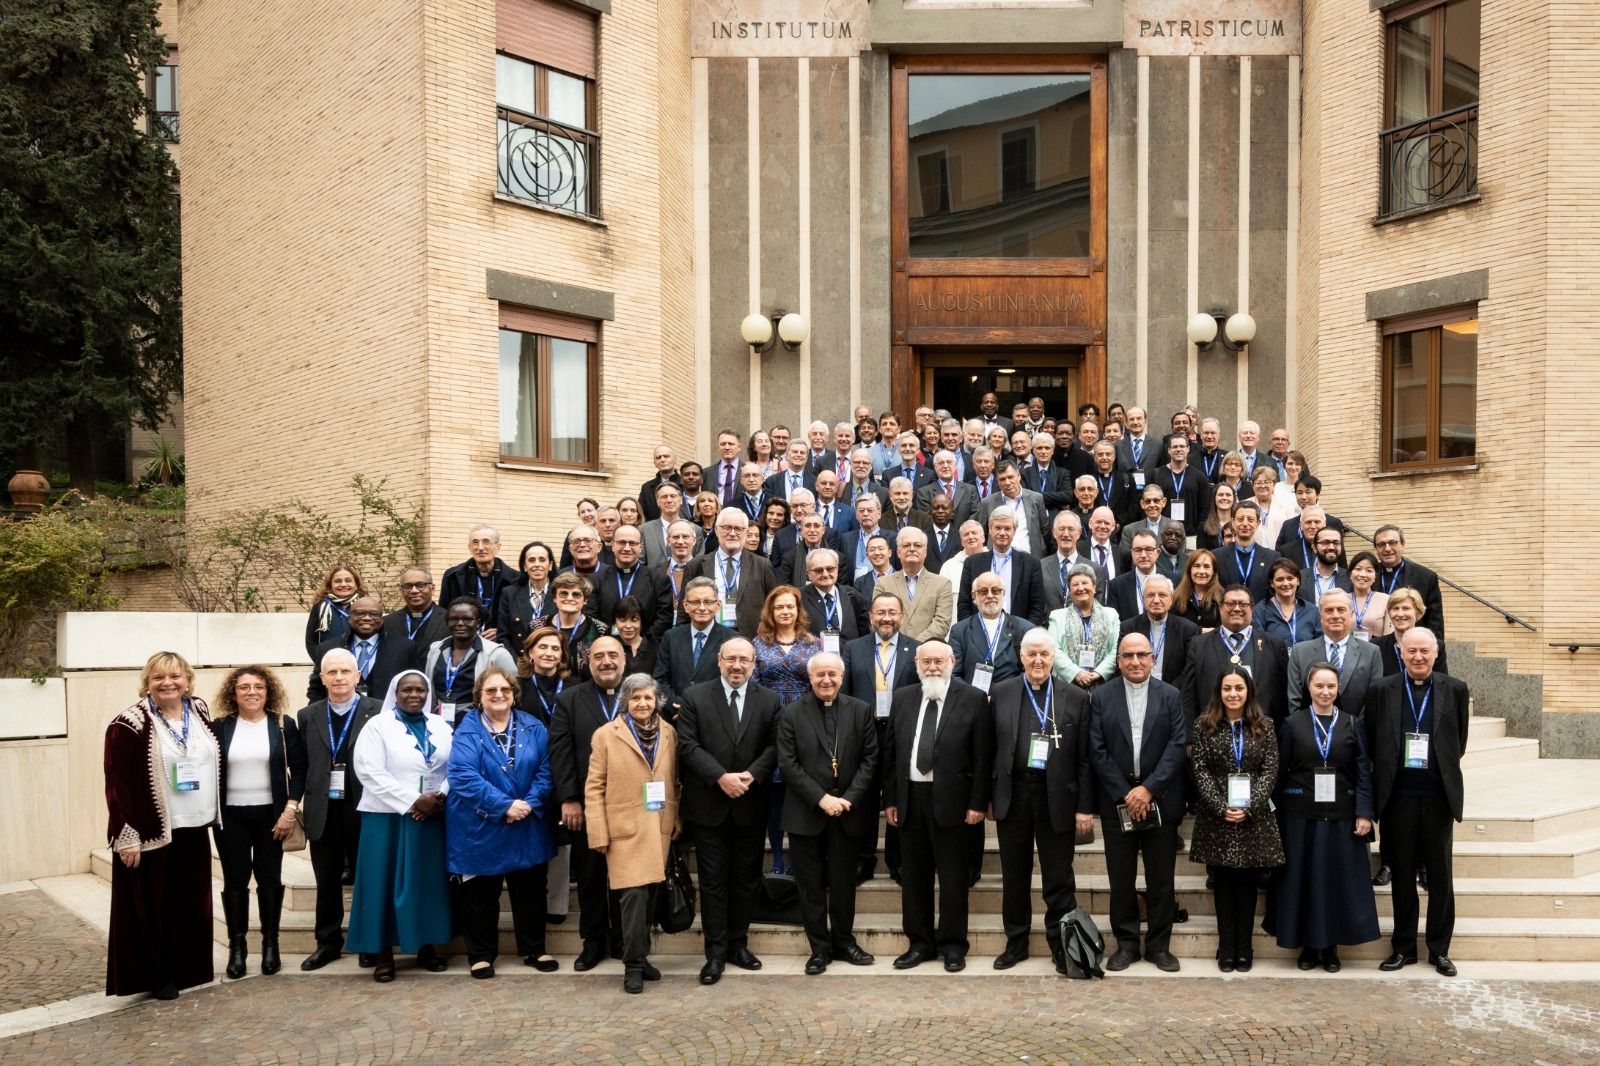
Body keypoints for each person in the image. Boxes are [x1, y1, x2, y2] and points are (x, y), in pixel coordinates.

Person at [105, 652, 220, 999]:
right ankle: (155, 977)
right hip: (153, 832)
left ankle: (188, 970)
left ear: (187, 679)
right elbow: (116, 782)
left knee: (189, 905)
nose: (168, 683)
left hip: (195, 825)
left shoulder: (198, 709)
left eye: (175, 676)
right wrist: (126, 835)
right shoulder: (129, 722)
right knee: (150, 909)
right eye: (158, 678)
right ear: (147, 682)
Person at [676, 638, 782, 984]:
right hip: (709, 807)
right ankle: (716, 953)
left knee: (746, 880)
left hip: (751, 805)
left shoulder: (768, 699)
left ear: (755, 665)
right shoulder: (695, 697)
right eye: (731, 659)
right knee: (713, 882)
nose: (737, 666)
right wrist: (720, 777)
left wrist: (750, 776)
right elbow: (688, 745)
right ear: (719, 661)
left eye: (745, 660)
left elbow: (775, 745)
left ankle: (739, 944)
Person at [884, 641, 995, 972]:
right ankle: (919, 942)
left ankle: (952, 945)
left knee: (953, 878)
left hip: (954, 802)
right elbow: (891, 753)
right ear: (917, 663)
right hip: (911, 799)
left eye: (938, 661)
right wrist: (890, 798)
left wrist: (978, 802)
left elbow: (983, 755)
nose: (932, 666)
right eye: (926, 661)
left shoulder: (973, 699)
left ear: (952, 661)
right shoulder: (903, 698)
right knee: (914, 877)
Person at [988, 631, 1094, 973]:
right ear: (1021, 656)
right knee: (1014, 875)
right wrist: (987, 797)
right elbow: (988, 751)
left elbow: (1084, 760)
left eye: (1044, 655)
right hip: (1014, 794)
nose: (1038, 661)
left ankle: (1062, 945)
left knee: (1058, 876)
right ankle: (1016, 943)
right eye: (1031, 654)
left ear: (1054, 657)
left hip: (1056, 798)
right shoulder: (1000, 692)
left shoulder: (1076, 697)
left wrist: (1084, 806)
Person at [1367, 628, 1469, 977]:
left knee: (1441, 878)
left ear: (1436, 653)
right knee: (1402, 877)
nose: (1418, 657)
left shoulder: (1455, 689)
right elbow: (1372, 740)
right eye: (1411, 651)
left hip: (1438, 798)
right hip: (1398, 799)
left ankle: (1439, 950)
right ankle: (1404, 948)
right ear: (1401, 653)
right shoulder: (1382, 690)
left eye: (1424, 651)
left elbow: (1460, 742)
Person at [1267, 661, 1381, 972]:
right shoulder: (1293, 723)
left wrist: (1364, 813)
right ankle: (1306, 946)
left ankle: (1330, 948)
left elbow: (1363, 773)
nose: (1325, 691)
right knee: (1303, 882)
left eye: (1331, 686)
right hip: (1300, 817)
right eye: (1319, 686)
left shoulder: (1351, 723)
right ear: (1309, 688)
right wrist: (1272, 816)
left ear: (1338, 688)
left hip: (1342, 818)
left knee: (1335, 884)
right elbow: (1279, 773)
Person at [447, 666, 558, 978]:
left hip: (527, 821)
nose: (498, 695)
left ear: (514, 695)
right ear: (479, 697)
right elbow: (461, 775)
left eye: (505, 690)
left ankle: (534, 948)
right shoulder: (467, 729)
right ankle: (481, 954)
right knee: (480, 895)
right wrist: (504, 805)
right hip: (481, 825)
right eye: (491, 691)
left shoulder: (533, 726)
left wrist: (529, 803)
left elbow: (547, 770)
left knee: (532, 891)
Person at [345, 670, 454, 982]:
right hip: (387, 817)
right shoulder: (377, 726)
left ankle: (426, 947)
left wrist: (439, 797)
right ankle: (383, 954)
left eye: (420, 690)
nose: (414, 695)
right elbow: (369, 771)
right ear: (395, 692)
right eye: (407, 690)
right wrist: (411, 800)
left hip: (431, 815)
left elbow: (455, 765)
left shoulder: (440, 725)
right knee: (382, 883)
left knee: (427, 882)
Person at [1089, 633, 1188, 972]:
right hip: (1117, 802)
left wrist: (1148, 789)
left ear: (1152, 658)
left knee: (1162, 880)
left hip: (1160, 800)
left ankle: (1160, 947)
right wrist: (1126, 792)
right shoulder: (1101, 696)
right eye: (1127, 655)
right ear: (1118, 660)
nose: (1134, 661)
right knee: (1121, 880)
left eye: (1141, 655)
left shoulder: (1171, 696)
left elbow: (1178, 746)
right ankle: (1127, 945)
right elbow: (1097, 749)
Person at [779, 653, 880, 974]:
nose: (826, 680)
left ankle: (844, 942)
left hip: (847, 813)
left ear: (842, 676)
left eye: (832, 675)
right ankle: (819, 949)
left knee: (843, 884)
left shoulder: (861, 710)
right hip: (807, 813)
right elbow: (788, 764)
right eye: (820, 674)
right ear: (810, 679)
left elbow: (870, 759)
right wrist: (821, 798)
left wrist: (848, 798)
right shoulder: (792, 713)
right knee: (809, 886)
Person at [584, 673, 681, 994]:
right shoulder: (605, 735)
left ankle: (642, 956)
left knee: (651, 898)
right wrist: (597, 831)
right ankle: (633, 966)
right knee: (633, 899)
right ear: (625, 701)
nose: (642, 703)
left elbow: (674, 779)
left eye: (648, 698)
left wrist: (676, 816)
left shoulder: (669, 733)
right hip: (624, 830)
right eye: (636, 698)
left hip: (659, 826)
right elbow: (594, 787)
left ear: (657, 702)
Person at [211, 666, 306, 979]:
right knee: (235, 882)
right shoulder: (219, 727)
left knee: (270, 880)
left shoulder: (282, 724)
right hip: (230, 818)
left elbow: (300, 769)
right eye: (244, 687)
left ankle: (270, 945)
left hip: (272, 817)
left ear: (268, 692)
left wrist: (289, 810)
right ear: (233, 693)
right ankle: (237, 949)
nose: (251, 692)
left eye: (258, 687)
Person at [1188, 667, 1283, 971]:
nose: (1233, 694)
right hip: (1218, 818)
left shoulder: (1264, 726)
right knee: (1223, 885)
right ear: (1219, 692)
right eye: (1227, 688)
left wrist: (1249, 805)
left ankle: (1245, 948)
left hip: (1253, 817)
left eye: (1239, 688)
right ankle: (1226, 948)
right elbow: (1200, 770)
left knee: (1247, 886)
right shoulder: (1204, 726)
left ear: (1248, 691)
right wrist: (1221, 806)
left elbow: (1270, 770)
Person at [298, 647, 383, 971]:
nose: (338, 677)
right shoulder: (308, 715)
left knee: (367, 878)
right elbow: (304, 763)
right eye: (331, 672)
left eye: (345, 671)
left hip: (364, 806)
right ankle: (327, 943)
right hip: (323, 808)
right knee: (327, 881)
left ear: (357, 675)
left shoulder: (376, 711)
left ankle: (367, 942)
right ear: (322, 678)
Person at [550, 637, 628, 969]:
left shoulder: (639, 695)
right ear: (588, 661)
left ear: (624, 659)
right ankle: (593, 941)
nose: (606, 661)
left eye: (613, 655)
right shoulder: (569, 699)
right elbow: (561, 753)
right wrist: (569, 799)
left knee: (627, 877)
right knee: (590, 876)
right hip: (588, 806)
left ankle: (626, 942)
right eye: (599, 656)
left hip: (630, 806)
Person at [753, 585, 821, 874]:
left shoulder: (813, 643)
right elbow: (753, 684)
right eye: (779, 607)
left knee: (799, 790)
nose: (785, 611)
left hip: (804, 721)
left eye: (790, 606)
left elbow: (819, 682)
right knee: (775, 794)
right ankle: (778, 857)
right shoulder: (757, 644)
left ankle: (797, 856)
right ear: (771, 611)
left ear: (798, 611)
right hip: (768, 721)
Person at [1180, 584, 1291, 726]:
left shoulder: (1274, 646)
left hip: (1261, 734)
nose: (1237, 608)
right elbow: (1188, 696)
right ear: (1220, 608)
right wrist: (1190, 739)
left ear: (1252, 609)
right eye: (1230, 603)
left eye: (1243, 604)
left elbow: (1282, 697)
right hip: (1211, 733)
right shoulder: (1199, 645)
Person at [682, 507, 779, 639]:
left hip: (752, 638)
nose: (732, 533)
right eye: (727, 527)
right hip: (708, 638)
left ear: (745, 532)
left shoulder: (762, 565)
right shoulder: (695, 565)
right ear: (716, 530)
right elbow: (684, 613)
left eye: (738, 529)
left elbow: (774, 605)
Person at [1288, 590, 1385, 715]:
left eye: (1341, 610)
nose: (1335, 615)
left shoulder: (1371, 652)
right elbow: (1294, 699)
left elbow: (1373, 700)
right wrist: (1305, 730)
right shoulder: (1300, 652)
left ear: (1351, 614)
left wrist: (1357, 729)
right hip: (1309, 731)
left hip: (1355, 730)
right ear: (1320, 616)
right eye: (1329, 610)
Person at [423, 597, 518, 721]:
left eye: (467, 619)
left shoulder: (497, 654)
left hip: (480, 722)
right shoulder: (436, 650)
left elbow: (514, 690)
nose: (460, 623)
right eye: (454, 619)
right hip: (438, 720)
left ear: (478, 623)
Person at [308, 594, 417, 702]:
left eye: (374, 614)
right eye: (360, 613)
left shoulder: (404, 648)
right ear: (350, 619)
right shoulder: (328, 648)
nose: (367, 618)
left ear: (382, 619)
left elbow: (414, 686)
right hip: (341, 716)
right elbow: (317, 690)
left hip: (388, 715)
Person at [655, 577, 736, 715]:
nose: (702, 608)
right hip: (675, 716)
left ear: (718, 605)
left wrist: (699, 709)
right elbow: (660, 679)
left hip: (716, 715)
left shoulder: (731, 639)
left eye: (708, 602)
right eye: (695, 602)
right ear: (685, 605)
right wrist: (679, 706)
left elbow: (734, 681)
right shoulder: (671, 637)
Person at [957, 509, 1046, 625]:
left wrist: (1023, 633)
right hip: (980, 635)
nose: (1002, 533)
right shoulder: (972, 563)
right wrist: (973, 634)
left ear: (1014, 531)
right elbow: (964, 605)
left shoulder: (1031, 563)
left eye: (1007, 528)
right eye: (998, 528)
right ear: (989, 530)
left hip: (1019, 637)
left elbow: (1037, 607)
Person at [594, 525, 674, 643]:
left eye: (633, 543)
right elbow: (592, 616)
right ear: (613, 545)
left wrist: (641, 643)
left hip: (645, 651)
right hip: (607, 648)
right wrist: (608, 642)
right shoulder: (596, 579)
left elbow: (664, 619)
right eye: (621, 542)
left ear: (640, 547)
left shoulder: (659, 580)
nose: (627, 548)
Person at [1047, 565, 1120, 691]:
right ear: (1070, 590)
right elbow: (1053, 650)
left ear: (1094, 587)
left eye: (1085, 583)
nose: (1081, 588)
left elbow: (1117, 649)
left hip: (1105, 686)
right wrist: (1076, 673)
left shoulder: (1111, 615)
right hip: (1066, 686)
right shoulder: (1056, 616)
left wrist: (1098, 673)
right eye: (1075, 585)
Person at [874, 527, 954, 642]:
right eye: (906, 545)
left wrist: (914, 646)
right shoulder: (883, 583)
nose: (912, 549)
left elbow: (942, 623)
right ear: (898, 552)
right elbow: (877, 618)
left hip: (927, 652)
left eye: (917, 545)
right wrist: (900, 647)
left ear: (925, 552)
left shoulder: (942, 584)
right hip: (892, 650)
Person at [1119, 574, 1199, 685]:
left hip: (1175, 695)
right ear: (1143, 599)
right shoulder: (1128, 628)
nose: (1156, 600)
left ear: (1171, 599)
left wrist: (1170, 693)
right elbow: (1122, 665)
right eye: (1151, 595)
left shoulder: (1187, 629)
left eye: (1162, 595)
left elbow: (1189, 670)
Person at [1373, 524, 1445, 642]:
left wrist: (1436, 650)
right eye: (1381, 544)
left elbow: (1435, 621)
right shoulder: (1369, 575)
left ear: (1403, 545)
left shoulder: (1425, 577)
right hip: (1378, 645)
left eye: (1392, 543)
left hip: (1414, 645)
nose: (1387, 548)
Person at [441, 525, 520, 629]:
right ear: (469, 547)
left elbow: (518, 617)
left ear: (498, 547)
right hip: (463, 638)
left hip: (500, 641)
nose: (480, 548)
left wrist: (500, 631)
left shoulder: (515, 579)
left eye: (486, 542)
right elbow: (445, 614)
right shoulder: (452, 576)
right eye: (475, 542)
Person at [494, 541, 556, 656]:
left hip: (552, 662)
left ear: (550, 565)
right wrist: (518, 665)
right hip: (519, 664)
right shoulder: (509, 593)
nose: (537, 564)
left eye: (542, 560)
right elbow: (503, 636)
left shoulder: (561, 593)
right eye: (531, 560)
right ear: (524, 566)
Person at [546, 572, 609, 681]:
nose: (569, 598)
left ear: (585, 600)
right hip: (543, 692)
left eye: (576, 594)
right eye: (563, 593)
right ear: (554, 598)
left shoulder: (600, 629)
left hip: (586, 693)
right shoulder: (537, 626)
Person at [800, 548, 869, 645]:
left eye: (830, 569)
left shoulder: (852, 594)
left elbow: (864, 632)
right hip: (815, 657)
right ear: (809, 573)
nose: (825, 574)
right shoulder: (799, 597)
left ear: (837, 570)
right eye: (819, 570)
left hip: (849, 657)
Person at [1376, 588, 1450, 676]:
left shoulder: (1435, 645)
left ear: (1417, 612)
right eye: (1395, 609)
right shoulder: (1376, 647)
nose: (1400, 614)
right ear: (1389, 613)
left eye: (1406, 608)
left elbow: (1441, 682)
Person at [1254, 557, 1322, 646]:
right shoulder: (1259, 610)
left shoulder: (1312, 611)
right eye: (1280, 579)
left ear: (1298, 581)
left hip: (1306, 659)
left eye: (1290, 578)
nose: (1286, 584)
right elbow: (1258, 645)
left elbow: (1320, 644)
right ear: (1271, 583)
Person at [304, 564, 367, 659]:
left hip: (359, 663)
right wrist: (320, 662)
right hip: (328, 664)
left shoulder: (365, 606)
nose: (343, 584)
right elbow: (311, 641)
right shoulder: (320, 607)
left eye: (348, 580)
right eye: (338, 581)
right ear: (330, 585)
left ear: (356, 585)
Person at [383, 567, 450, 650]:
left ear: (432, 589)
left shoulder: (449, 620)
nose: (414, 591)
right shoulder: (387, 622)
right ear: (401, 591)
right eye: (408, 586)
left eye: (420, 585)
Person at [1347, 551, 1392, 642]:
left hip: (1378, 652)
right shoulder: (1342, 600)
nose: (1363, 574)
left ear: (1375, 576)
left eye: (1369, 570)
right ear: (1350, 574)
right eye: (1358, 569)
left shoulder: (1386, 600)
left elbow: (1389, 636)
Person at [613, 596, 659, 676]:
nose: (628, 626)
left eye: (634, 620)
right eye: (622, 620)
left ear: (641, 622)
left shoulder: (655, 647)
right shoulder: (609, 646)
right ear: (615, 623)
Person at [638, 444, 680, 523]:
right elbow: (642, 514)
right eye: (658, 457)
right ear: (654, 462)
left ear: (675, 459)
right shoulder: (647, 488)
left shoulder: (685, 484)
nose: (662, 460)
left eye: (666, 456)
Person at [1198, 482, 1236, 552]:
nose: (1224, 497)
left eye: (1228, 495)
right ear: (1214, 498)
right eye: (1221, 495)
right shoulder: (1203, 527)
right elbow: (1201, 555)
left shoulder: (1239, 525)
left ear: (1233, 498)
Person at [711, 429, 743, 506]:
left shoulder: (748, 471)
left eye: (731, 444)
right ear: (718, 447)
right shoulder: (707, 473)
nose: (727, 447)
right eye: (723, 444)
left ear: (739, 447)